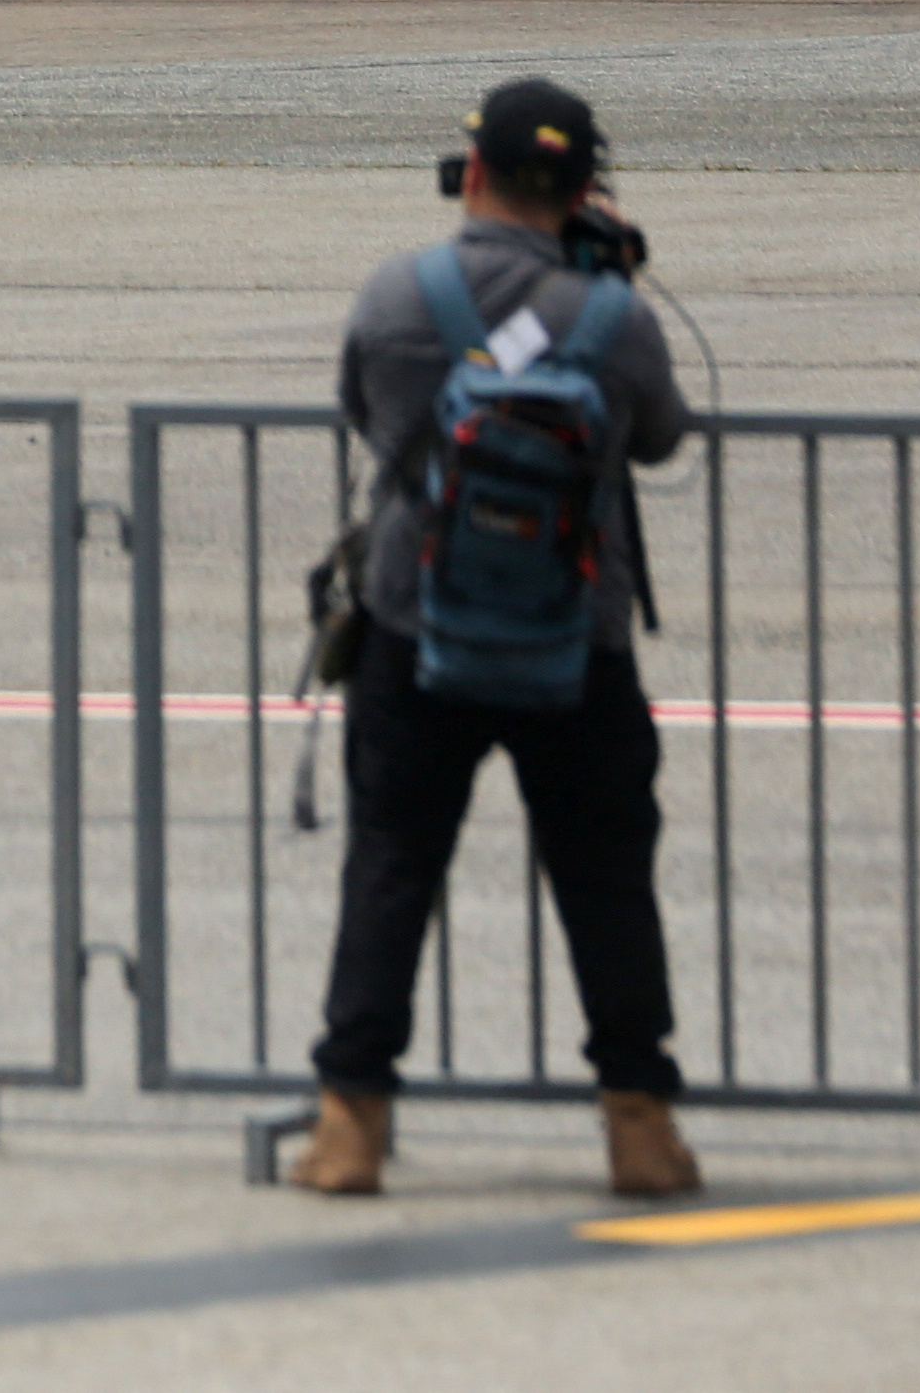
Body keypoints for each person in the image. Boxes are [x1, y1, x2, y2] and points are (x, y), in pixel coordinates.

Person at [295, 76, 696, 1200]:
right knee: (607, 880)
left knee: (391, 869)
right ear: (582, 191)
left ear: (472, 174)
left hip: (415, 629)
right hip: (577, 639)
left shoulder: (398, 295)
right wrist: (598, 284)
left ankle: (349, 1127)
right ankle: (640, 1128)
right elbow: (661, 436)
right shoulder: (612, 318)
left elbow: (366, 414)